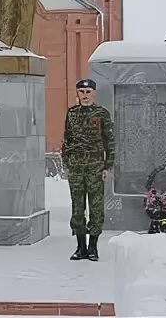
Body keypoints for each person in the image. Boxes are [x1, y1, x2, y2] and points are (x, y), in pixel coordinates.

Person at [60, 79, 115, 261]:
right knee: (77, 208)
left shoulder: (102, 114)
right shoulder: (72, 113)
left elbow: (110, 141)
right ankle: (80, 247)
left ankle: (93, 248)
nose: (84, 95)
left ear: (94, 93)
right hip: (76, 168)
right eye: (81, 92)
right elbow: (66, 140)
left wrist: (108, 166)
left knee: (96, 207)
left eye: (88, 91)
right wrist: (65, 164)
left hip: (95, 168)